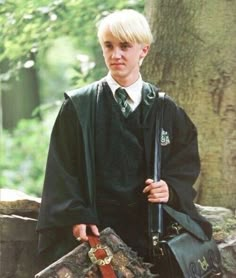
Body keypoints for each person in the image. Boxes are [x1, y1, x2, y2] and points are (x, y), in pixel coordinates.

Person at [36, 9, 212, 272]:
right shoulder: (79, 107)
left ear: (143, 50)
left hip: (149, 230)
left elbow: (184, 160)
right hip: (95, 229)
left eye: (125, 46)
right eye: (109, 46)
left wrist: (170, 189)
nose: (115, 54)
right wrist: (76, 214)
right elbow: (62, 169)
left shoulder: (165, 109)